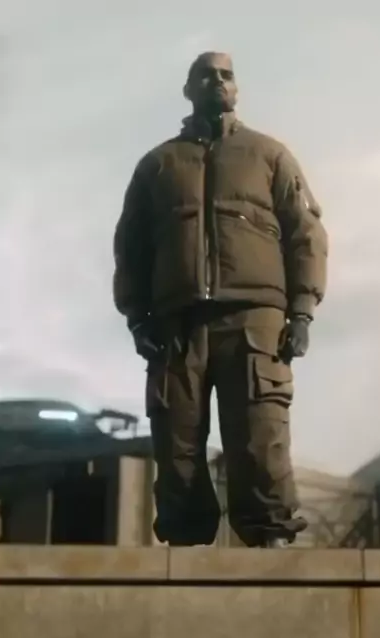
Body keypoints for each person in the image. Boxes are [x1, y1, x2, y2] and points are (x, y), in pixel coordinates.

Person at [112, 51, 328, 548]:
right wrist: (137, 318)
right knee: (177, 443)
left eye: (226, 75)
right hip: (176, 323)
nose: (217, 81)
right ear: (188, 90)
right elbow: (131, 246)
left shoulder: (270, 156)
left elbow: (306, 235)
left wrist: (301, 312)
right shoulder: (157, 165)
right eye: (206, 75)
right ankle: (185, 550)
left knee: (260, 437)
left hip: (255, 320)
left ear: (236, 88)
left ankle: (270, 542)